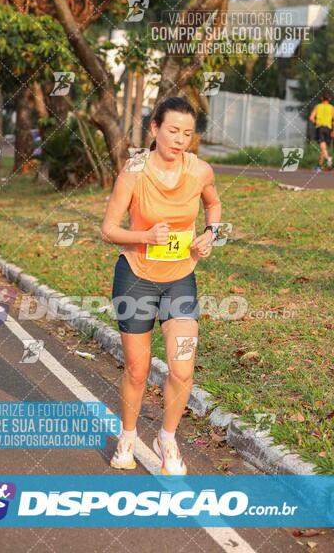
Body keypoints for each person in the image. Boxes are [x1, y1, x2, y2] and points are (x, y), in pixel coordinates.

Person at [101, 97, 222, 475]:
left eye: (187, 133)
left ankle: (167, 437)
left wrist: (209, 234)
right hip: (135, 278)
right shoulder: (134, 173)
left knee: (182, 368)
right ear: (154, 128)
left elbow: (213, 206)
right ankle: (128, 434)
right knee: (137, 369)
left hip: (180, 282)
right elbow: (108, 229)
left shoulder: (200, 171)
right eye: (172, 131)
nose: (180, 139)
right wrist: (145, 235)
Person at [309, 93, 334, 171]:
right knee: (324, 148)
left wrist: (316, 122)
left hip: (320, 128)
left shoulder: (318, 106)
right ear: (329, 99)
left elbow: (311, 118)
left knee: (322, 147)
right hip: (329, 129)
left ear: (322, 98)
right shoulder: (332, 108)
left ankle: (328, 158)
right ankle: (319, 166)